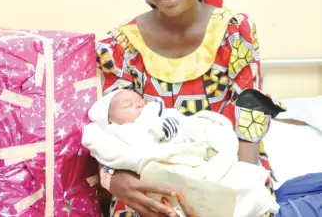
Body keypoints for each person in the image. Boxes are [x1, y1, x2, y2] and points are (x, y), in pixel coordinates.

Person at [95, 0, 285, 217]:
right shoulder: (118, 46)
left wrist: (235, 189)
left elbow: (250, 114)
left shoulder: (235, 31)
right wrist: (116, 181)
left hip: (231, 165)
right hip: (151, 172)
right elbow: (108, 127)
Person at [82, 90, 281, 217]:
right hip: (144, 183)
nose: (139, 105)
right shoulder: (120, 47)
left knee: (244, 189)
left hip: (215, 157)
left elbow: (242, 135)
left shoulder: (236, 31)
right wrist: (111, 179)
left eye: (140, 101)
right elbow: (105, 149)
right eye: (128, 105)